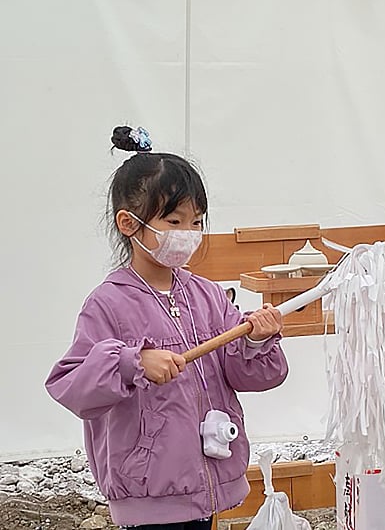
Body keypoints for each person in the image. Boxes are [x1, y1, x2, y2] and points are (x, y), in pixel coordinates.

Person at [46, 126, 289, 530]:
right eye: (174, 221)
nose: (189, 235)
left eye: (196, 222)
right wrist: (131, 362)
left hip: (207, 482)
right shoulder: (108, 303)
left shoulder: (208, 295)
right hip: (150, 494)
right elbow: (71, 385)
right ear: (129, 224)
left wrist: (257, 340)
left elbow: (249, 375)